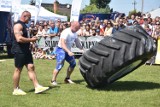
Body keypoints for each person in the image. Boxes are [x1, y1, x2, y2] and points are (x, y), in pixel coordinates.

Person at [11, 11, 49, 95]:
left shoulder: (24, 25)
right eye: (29, 18)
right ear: (25, 16)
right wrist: (31, 40)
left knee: (31, 67)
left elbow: (24, 37)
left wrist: (31, 39)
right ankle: (16, 89)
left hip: (26, 50)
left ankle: (37, 87)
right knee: (18, 69)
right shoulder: (18, 25)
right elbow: (19, 39)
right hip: (19, 51)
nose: (30, 20)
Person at [51, 21, 83, 85]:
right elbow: (62, 44)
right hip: (61, 50)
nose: (78, 29)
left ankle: (67, 79)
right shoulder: (66, 32)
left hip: (68, 50)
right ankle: (53, 80)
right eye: (77, 28)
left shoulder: (75, 33)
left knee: (73, 64)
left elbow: (77, 42)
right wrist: (69, 52)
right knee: (60, 65)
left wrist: (82, 49)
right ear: (73, 26)